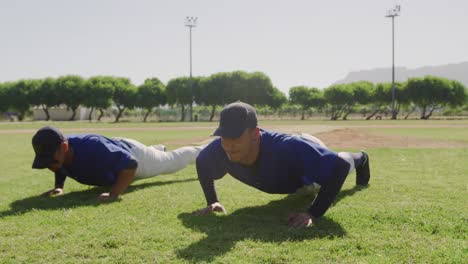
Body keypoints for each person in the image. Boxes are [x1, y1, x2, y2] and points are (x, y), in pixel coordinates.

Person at [192, 102, 370, 228]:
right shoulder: (220, 148)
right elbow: (202, 162)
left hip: (305, 170)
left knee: (342, 161)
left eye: (236, 137)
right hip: (293, 157)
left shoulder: (288, 148)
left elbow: (339, 167)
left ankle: (361, 158)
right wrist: (213, 201)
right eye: (225, 137)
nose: (229, 145)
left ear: (254, 133)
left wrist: (313, 213)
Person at [31, 126, 204, 201]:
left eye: (50, 159)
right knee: (151, 153)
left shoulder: (93, 146)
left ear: (64, 147)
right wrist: (59, 186)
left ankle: (202, 150)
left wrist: (114, 194)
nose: (50, 165)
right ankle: (157, 148)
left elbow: (130, 165)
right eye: (44, 160)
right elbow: (59, 166)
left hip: (135, 155)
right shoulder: (62, 153)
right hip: (115, 148)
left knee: (171, 161)